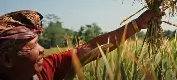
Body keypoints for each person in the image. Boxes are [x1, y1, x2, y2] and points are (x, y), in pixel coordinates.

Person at [0, 10, 161, 80]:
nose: (42, 50)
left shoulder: (45, 70)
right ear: (7, 59)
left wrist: (137, 24)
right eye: (34, 46)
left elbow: (90, 49)